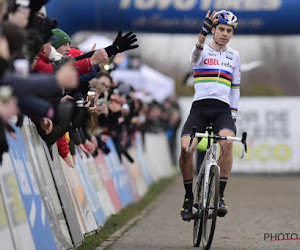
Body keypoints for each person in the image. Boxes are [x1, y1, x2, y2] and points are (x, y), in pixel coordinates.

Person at [179, 10, 241, 221]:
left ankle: (220, 197)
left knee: (227, 144)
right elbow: (194, 59)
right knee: (186, 149)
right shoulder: (203, 50)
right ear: (214, 29)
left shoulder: (235, 56)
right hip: (200, 109)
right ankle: (189, 199)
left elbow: (235, 88)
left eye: (229, 31)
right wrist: (201, 35)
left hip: (222, 110)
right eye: (221, 29)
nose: (225, 34)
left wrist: (233, 115)